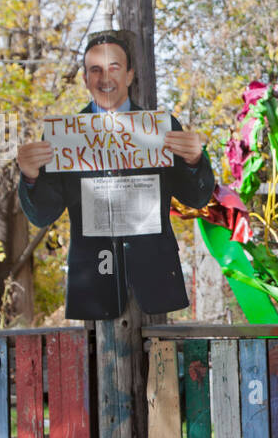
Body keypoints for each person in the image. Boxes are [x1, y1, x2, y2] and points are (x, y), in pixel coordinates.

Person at [16, 33, 215, 320]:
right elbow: (43, 216)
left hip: (155, 283)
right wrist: (30, 177)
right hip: (94, 287)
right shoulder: (64, 136)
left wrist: (196, 161)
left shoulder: (162, 128)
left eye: (113, 67)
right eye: (95, 69)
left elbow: (196, 198)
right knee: (97, 364)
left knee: (161, 362)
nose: (104, 77)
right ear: (85, 78)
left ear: (130, 74)